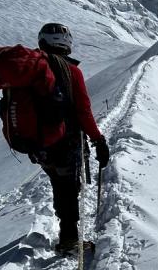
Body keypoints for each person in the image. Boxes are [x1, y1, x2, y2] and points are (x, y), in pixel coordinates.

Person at [35, 22, 109, 251]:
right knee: (68, 188)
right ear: (66, 44)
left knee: (59, 183)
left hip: (38, 143)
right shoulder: (71, 71)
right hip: (66, 141)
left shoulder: (33, 69)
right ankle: (68, 239)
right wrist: (98, 140)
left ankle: (66, 226)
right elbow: (83, 111)